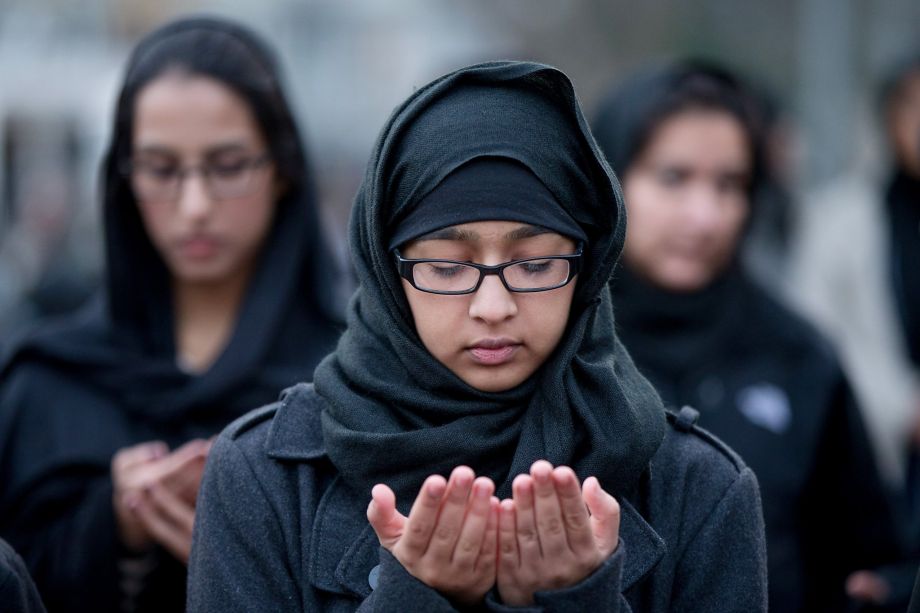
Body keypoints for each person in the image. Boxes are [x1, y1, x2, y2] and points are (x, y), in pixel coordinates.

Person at [187, 60, 767, 612]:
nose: (493, 306)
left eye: (536, 264)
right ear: (389, 272)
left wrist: (578, 600)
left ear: (587, 268)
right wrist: (414, 599)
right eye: (447, 266)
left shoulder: (699, 489)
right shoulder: (267, 477)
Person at [0, 16, 342, 612]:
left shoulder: (354, 382)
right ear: (122, 180)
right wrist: (114, 527)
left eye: (228, 166)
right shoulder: (46, 384)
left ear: (283, 169)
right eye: (161, 170)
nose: (194, 206)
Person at [591, 61, 901, 613]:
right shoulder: (559, 351)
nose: (705, 215)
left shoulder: (798, 355)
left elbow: (871, 555)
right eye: (673, 177)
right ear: (609, 178)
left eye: (729, 184)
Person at [792, 53, 920, 611]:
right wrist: (902, 409)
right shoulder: (837, 219)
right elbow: (818, 335)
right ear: (890, 117)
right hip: (877, 452)